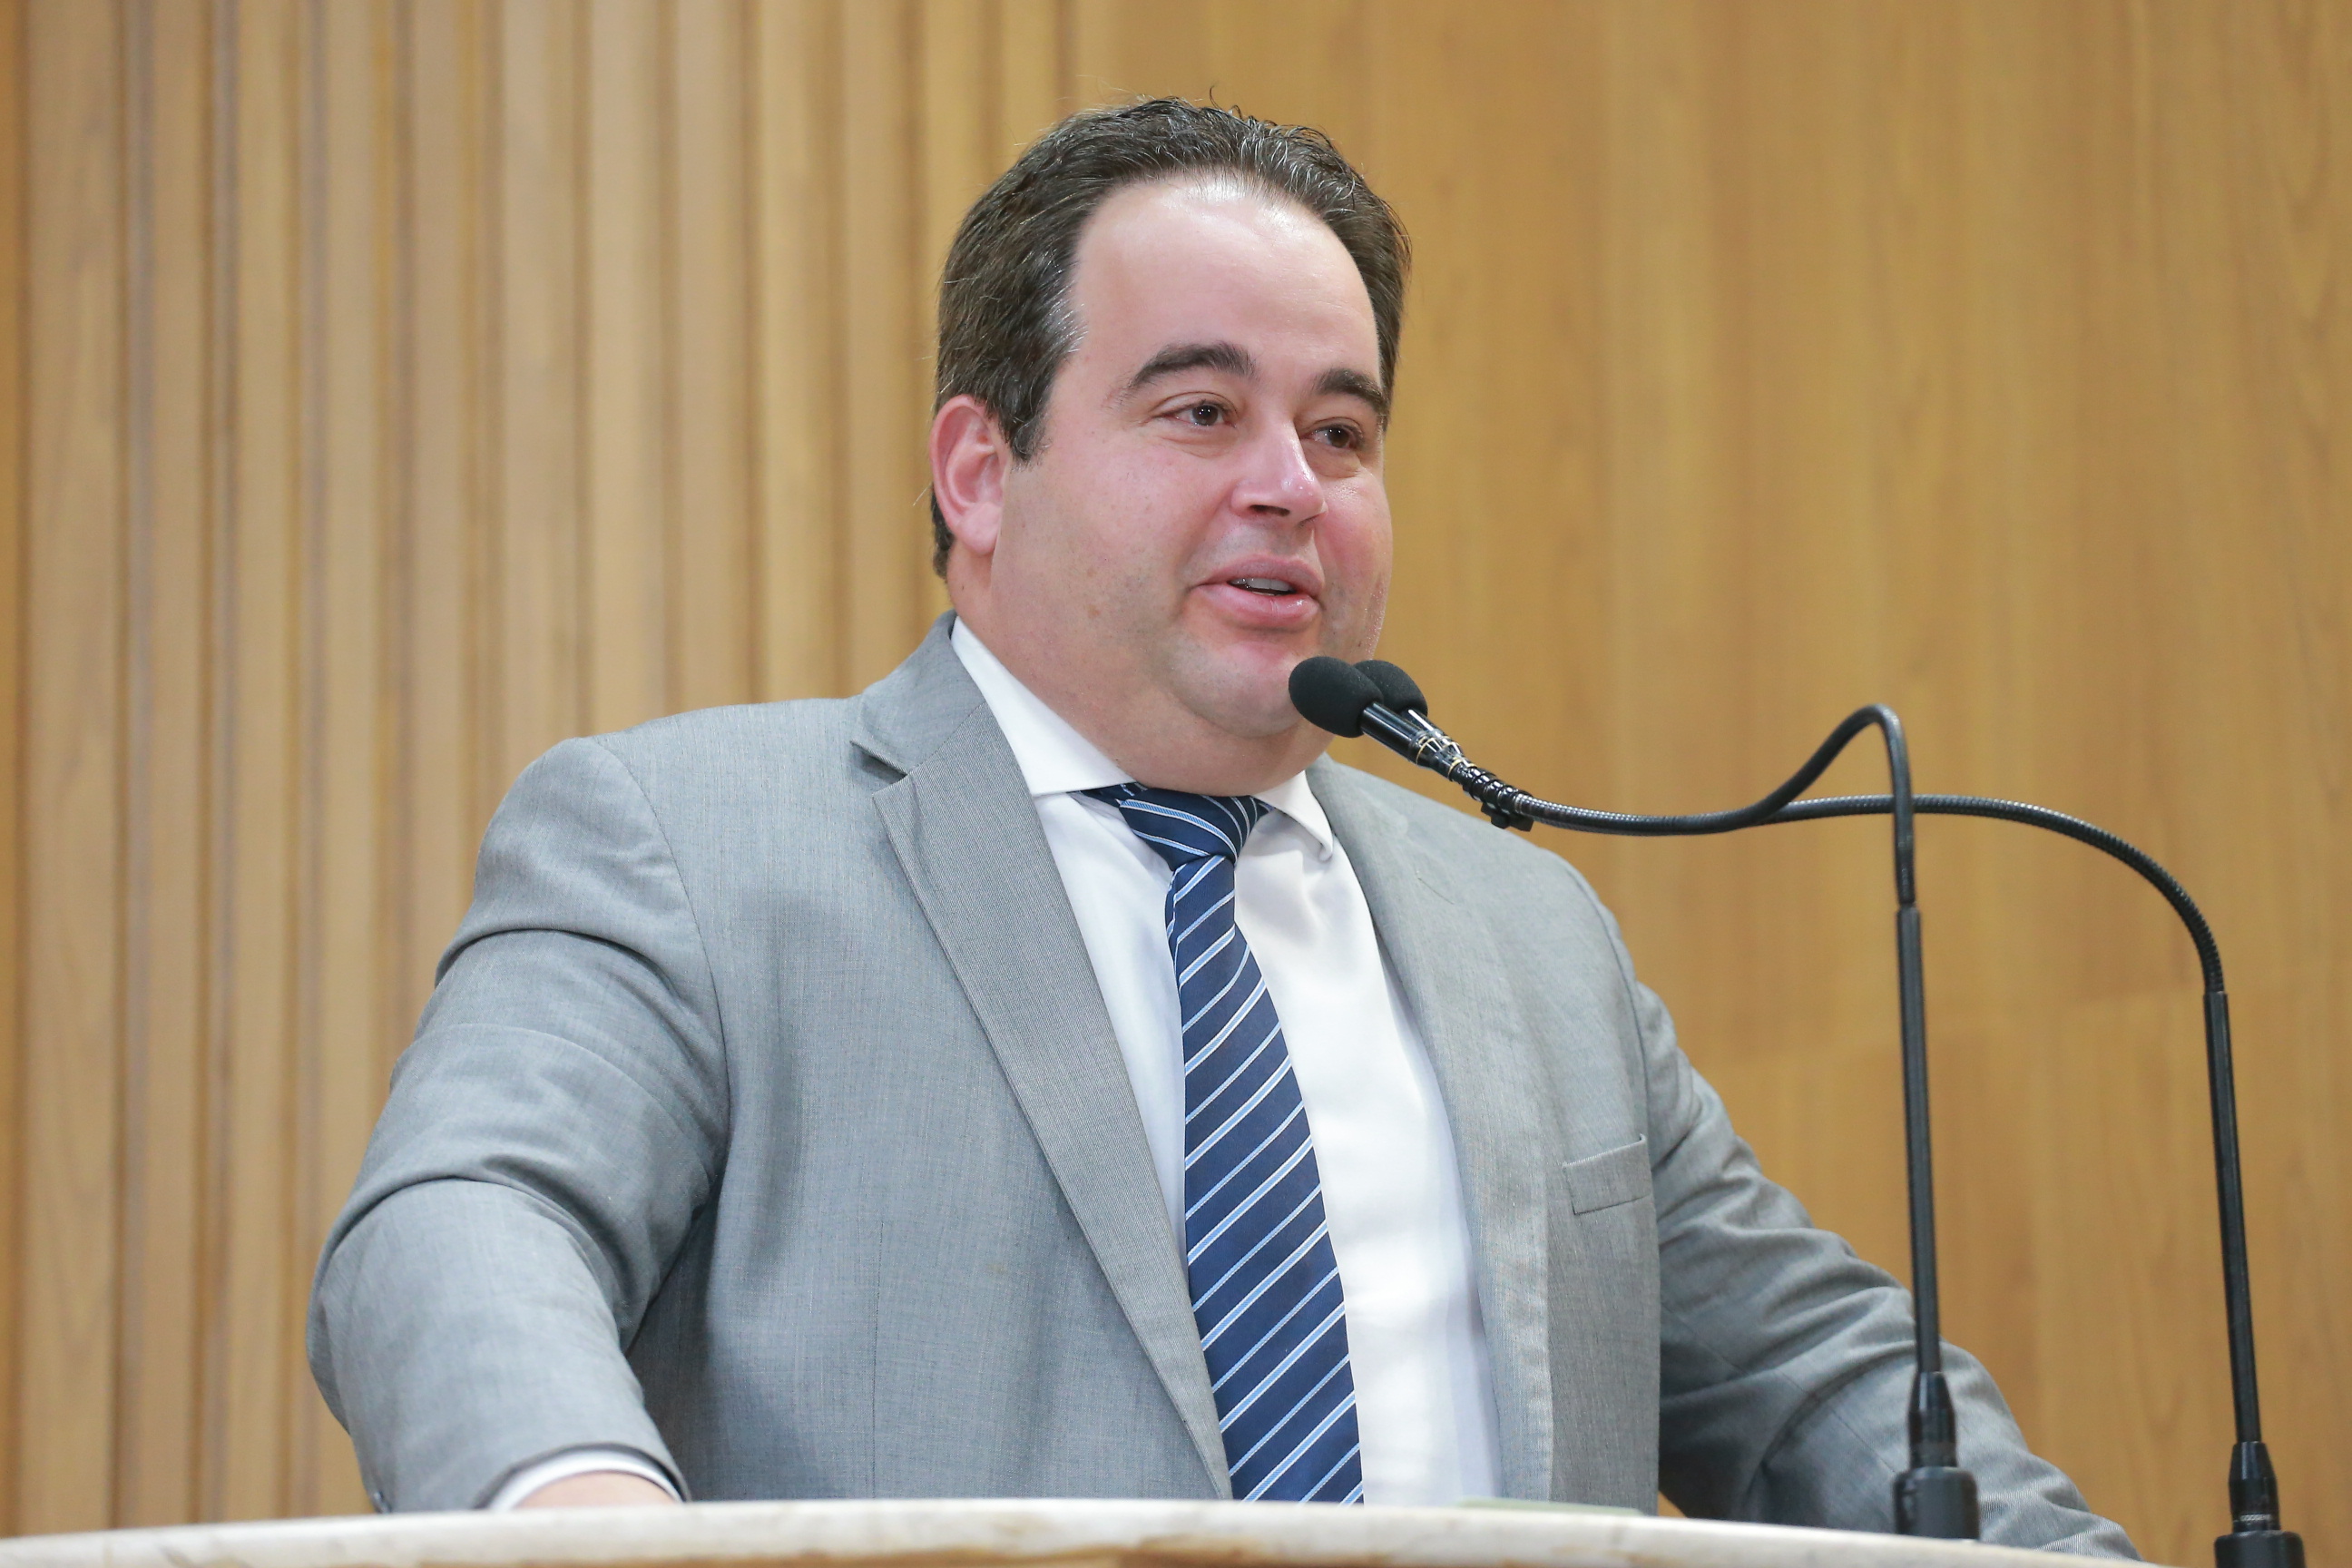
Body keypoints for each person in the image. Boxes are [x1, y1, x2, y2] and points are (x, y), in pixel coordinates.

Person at [309, 99, 2133, 1553]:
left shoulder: (1531, 939)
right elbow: (463, 1220)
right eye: (1200, 411)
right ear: (979, 471)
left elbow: (1813, 1380)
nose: (1291, 486)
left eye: (1342, 433)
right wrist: (587, 1520)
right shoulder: (694, 843)